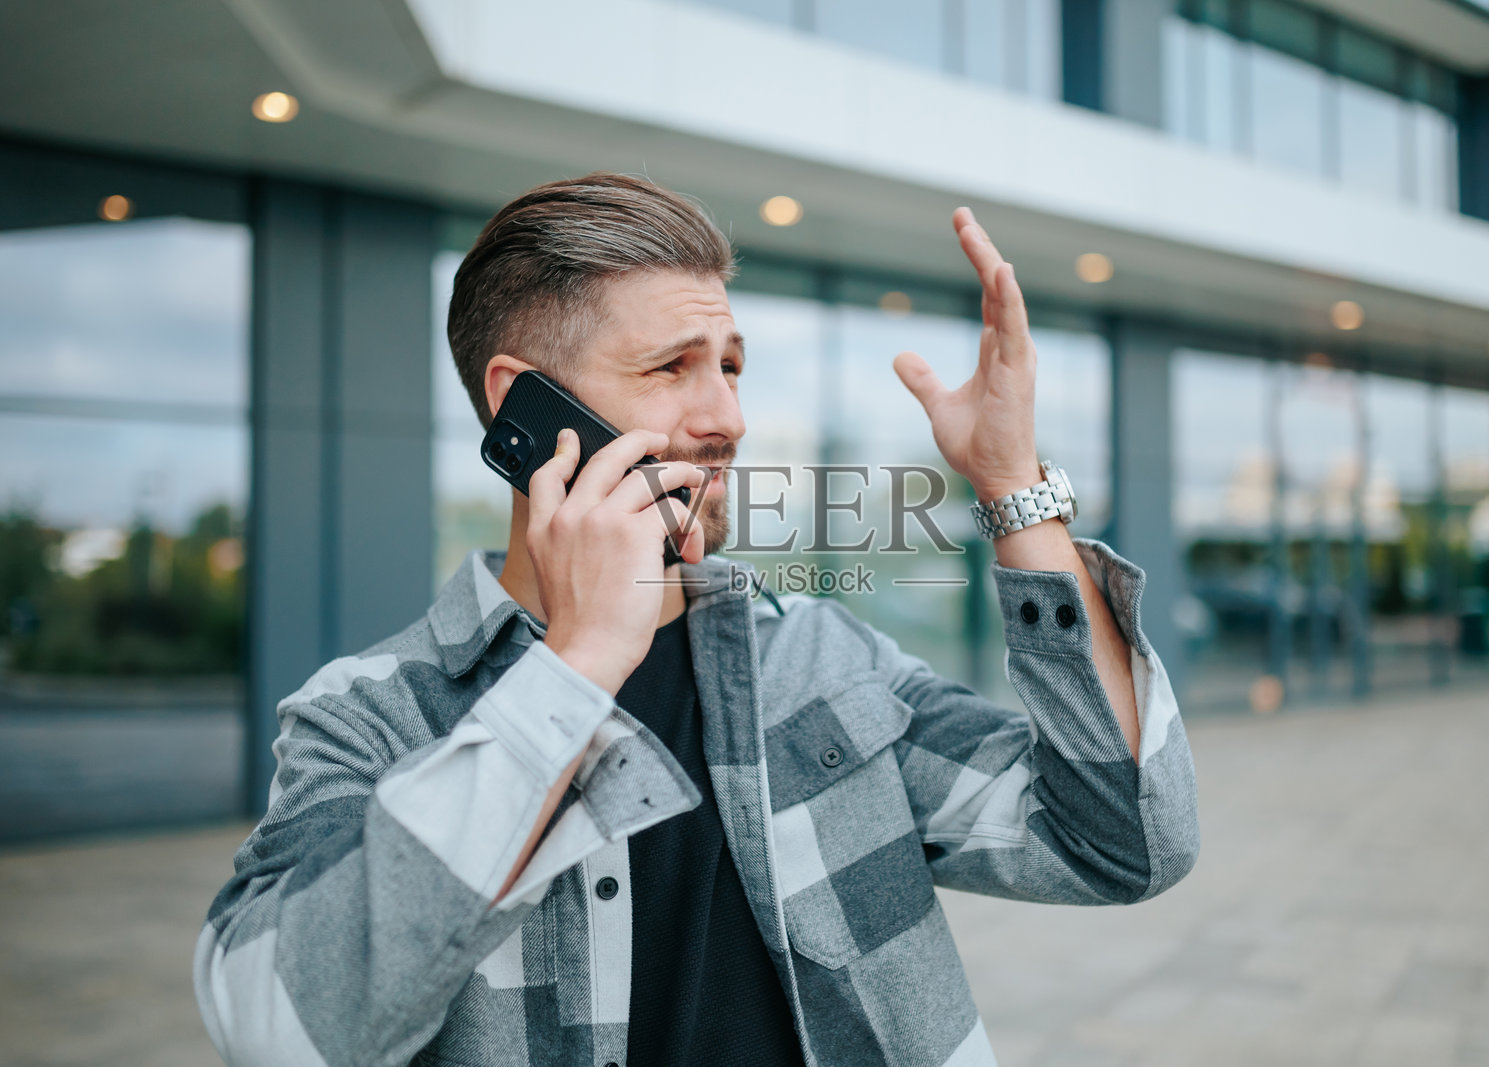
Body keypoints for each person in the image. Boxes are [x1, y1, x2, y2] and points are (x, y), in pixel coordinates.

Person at [194, 173, 1199, 1067]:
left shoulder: (822, 658)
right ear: (524, 407)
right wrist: (577, 665)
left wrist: (1014, 487)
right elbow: (278, 1030)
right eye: (673, 366)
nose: (728, 417)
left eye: (731, 365)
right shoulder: (370, 718)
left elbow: (1124, 842)